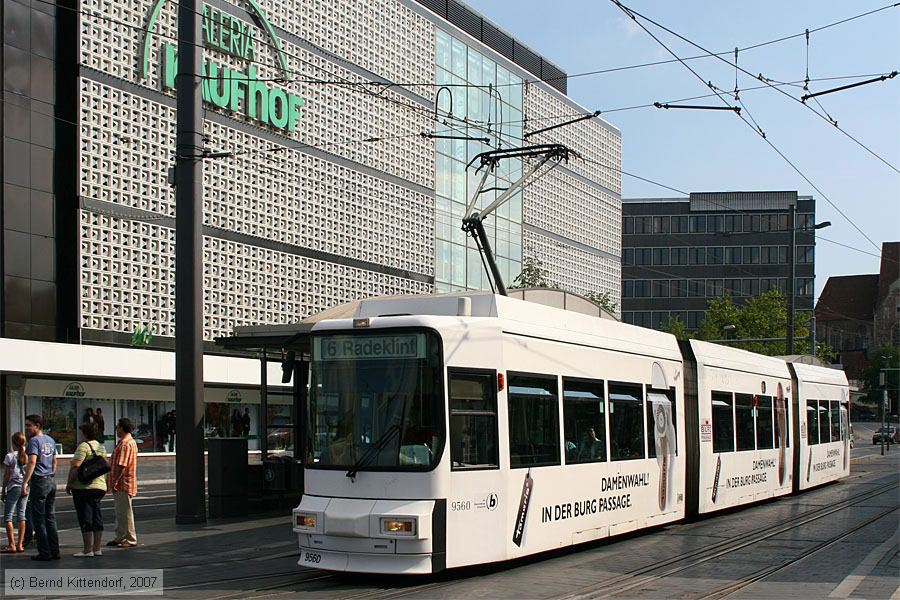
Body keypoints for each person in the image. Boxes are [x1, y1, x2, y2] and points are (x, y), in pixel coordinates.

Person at [21, 414, 59, 561]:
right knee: (50, 517)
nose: (27, 428)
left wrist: (25, 482)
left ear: (37, 426)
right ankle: (54, 550)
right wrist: (51, 474)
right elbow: (54, 460)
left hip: (39, 481)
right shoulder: (50, 440)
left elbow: (32, 462)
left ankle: (44, 552)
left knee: (39, 518)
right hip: (50, 480)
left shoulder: (34, 441)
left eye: (29, 425)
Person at [67, 422, 108, 557]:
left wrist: (69, 483)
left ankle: (87, 549)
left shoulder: (83, 446)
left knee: (85, 517)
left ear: (84, 433)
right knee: (97, 515)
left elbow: (75, 466)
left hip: (84, 487)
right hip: (99, 486)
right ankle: (97, 548)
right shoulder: (101, 447)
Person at [107, 418, 138, 548]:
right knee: (120, 512)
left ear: (122, 428)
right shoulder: (128, 442)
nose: (116, 430)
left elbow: (121, 465)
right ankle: (120, 536)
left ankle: (130, 538)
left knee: (125, 512)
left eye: (117, 427)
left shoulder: (125, 444)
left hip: (123, 483)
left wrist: (114, 480)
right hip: (123, 483)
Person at [2, 433, 28, 553]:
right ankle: (20, 544)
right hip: (25, 487)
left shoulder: (9, 456)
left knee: (8, 516)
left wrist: (3, 489)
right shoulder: (26, 456)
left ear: (13, 443)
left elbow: (6, 475)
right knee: (21, 515)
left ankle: (11, 544)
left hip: (14, 487)